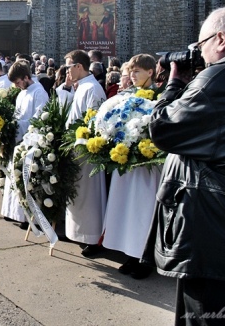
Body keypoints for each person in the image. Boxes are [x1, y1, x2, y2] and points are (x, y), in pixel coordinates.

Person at [143, 7, 225, 324]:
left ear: (221, 40)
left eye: (200, 46)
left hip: (215, 232)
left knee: (206, 315)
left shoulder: (219, 78)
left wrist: (174, 82)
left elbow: (162, 128)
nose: (197, 54)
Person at [101, 54, 159, 280]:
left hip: (146, 165)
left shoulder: (158, 95)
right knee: (126, 209)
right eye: (131, 72)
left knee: (142, 211)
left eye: (137, 72)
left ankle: (145, 258)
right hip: (126, 162)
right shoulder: (127, 96)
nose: (132, 76)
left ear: (150, 73)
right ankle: (130, 254)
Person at [56, 50, 107, 256]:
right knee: (77, 196)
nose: (67, 71)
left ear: (79, 66)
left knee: (88, 196)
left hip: (86, 152)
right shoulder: (82, 87)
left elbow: (94, 123)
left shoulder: (93, 89)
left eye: (69, 66)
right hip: (75, 149)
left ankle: (93, 238)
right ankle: (77, 234)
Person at [3, 60, 49, 227]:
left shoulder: (39, 93)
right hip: (17, 140)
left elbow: (39, 119)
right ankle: (13, 211)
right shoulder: (22, 93)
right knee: (14, 176)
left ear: (26, 77)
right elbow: (18, 114)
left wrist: (18, 126)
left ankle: (26, 215)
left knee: (26, 180)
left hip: (30, 142)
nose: (16, 86)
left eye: (18, 82)